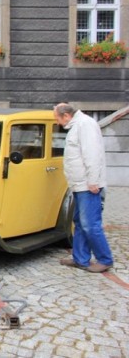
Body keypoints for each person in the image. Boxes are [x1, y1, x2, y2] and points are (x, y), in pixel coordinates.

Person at [54, 103, 113, 273]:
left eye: (57, 118)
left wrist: (93, 181)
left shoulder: (85, 125)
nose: (57, 122)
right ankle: (80, 259)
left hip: (88, 185)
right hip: (80, 184)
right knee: (79, 222)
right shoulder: (77, 126)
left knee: (90, 225)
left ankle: (105, 259)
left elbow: (92, 154)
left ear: (66, 115)